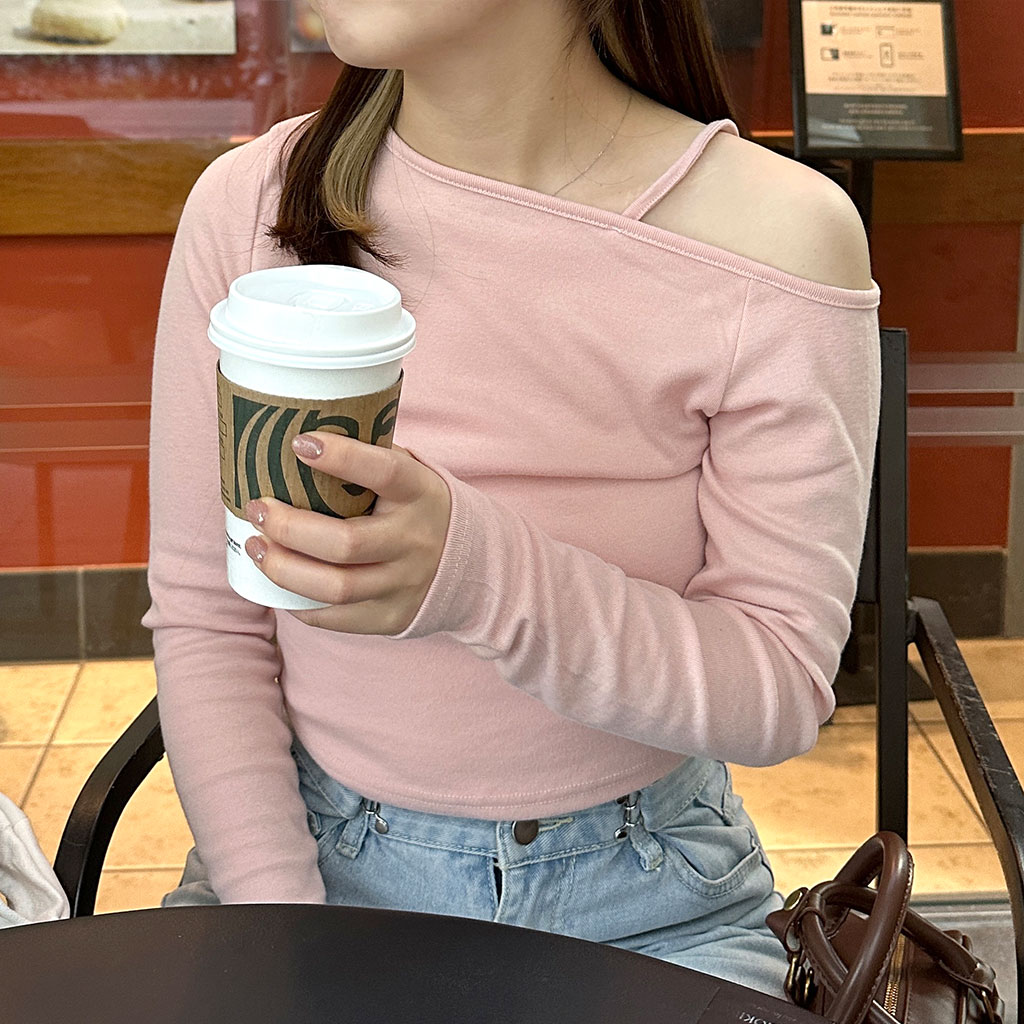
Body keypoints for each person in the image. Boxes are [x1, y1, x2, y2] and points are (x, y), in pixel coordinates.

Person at [144, 0, 881, 998]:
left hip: (651, 899)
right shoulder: (251, 205)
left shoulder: (779, 238)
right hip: (301, 863)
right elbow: (208, 617)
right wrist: (281, 921)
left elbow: (779, 685)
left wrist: (476, 577)